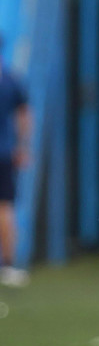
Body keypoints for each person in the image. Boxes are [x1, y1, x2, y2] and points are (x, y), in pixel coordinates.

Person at [0, 39, 31, 288]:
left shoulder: (10, 80)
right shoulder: (10, 79)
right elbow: (24, 115)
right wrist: (22, 147)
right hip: (4, 154)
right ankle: (8, 265)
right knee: (4, 208)